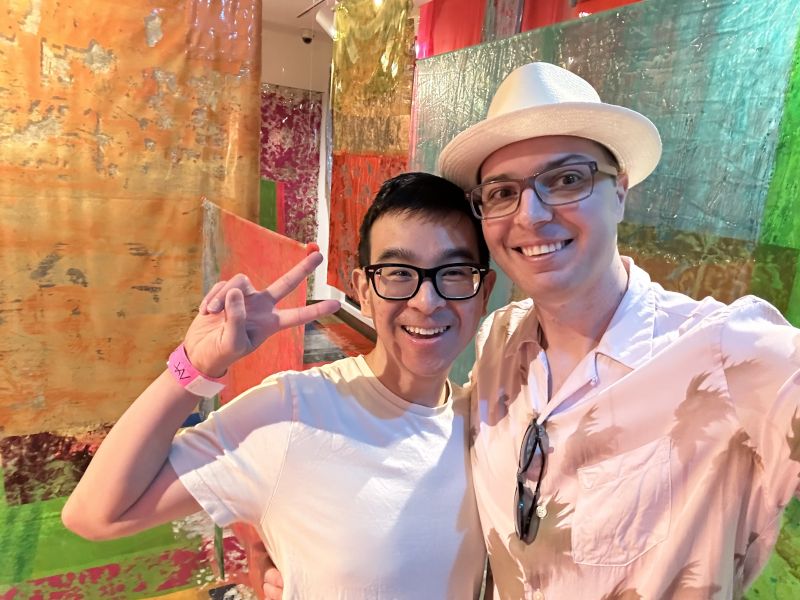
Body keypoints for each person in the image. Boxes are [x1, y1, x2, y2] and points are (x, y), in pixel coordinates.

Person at [254, 62, 800, 599]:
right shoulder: (500, 341)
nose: (531, 215)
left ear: (620, 191)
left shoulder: (728, 354)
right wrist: (293, 538)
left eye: (567, 180)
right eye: (501, 192)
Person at [62, 172, 496, 598]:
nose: (427, 301)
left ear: (484, 291)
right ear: (363, 290)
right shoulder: (295, 412)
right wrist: (194, 366)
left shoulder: (489, 422)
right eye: (398, 273)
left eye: (455, 272)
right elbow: (96, 514)